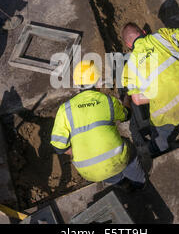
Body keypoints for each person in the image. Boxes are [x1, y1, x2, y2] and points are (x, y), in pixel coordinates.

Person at [51, 60, 146, 192]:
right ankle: (139, 184)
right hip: (118, 158)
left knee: (109, 174)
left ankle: (122, 184)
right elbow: (126, 115)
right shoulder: (107, 101)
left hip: (89, 171)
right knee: (129, 150)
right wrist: (126, 100)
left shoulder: (64, 110)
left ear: (76, 83)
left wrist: (78, 151)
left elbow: (58, 146)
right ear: (97, 82)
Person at [121, 22, 179, 157]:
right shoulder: (161, 36)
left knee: (160, 132)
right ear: (143, 32)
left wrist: (157, 95)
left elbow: (137, 100)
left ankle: (158, 150)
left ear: (128, 46)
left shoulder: (128, 68)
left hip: (165, 111)